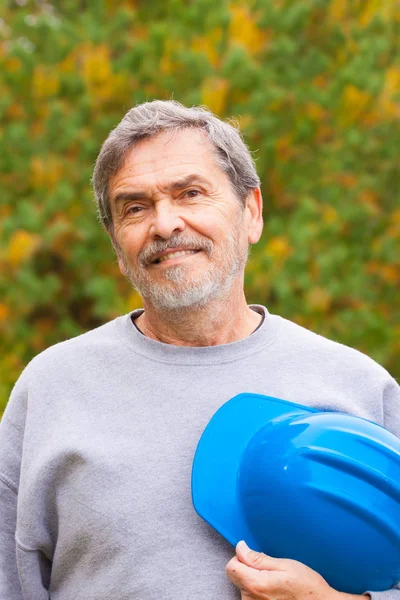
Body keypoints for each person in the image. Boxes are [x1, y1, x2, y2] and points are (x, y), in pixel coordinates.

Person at [0, 100, 399, 600]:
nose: (165, 224)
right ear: (115, 244)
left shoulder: (358, 386)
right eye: (136, 207)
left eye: (190, 193)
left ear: (251, 212)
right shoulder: (52, 388)